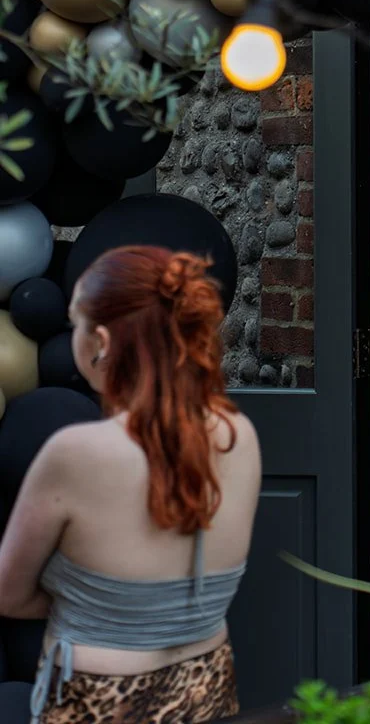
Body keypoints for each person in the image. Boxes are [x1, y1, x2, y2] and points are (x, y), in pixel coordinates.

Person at [0, 245, 261, 724]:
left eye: (75, 324)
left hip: (101, 701)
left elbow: (8, 593)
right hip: (205, 690)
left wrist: (99, 607)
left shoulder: (75, 452)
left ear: (101, 341)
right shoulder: (238, 435)